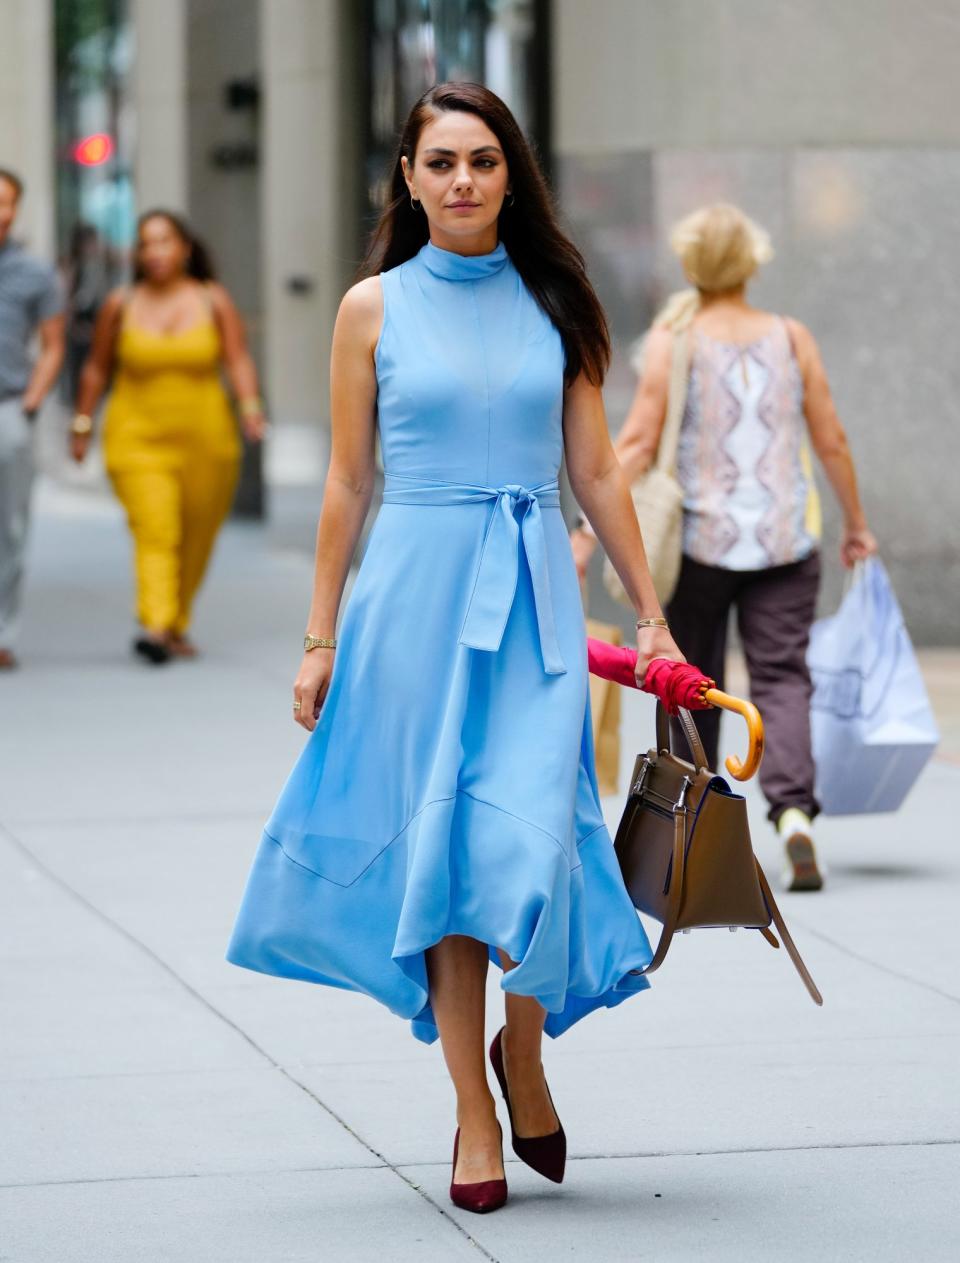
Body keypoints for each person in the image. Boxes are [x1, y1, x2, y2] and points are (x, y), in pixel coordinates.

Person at [227, 82, 685, 1214]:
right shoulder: (370, 308)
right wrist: (318, 636)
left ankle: (521, 1052)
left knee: (534, 848)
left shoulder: (556, 300)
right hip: (412, 604)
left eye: (484, 161)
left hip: (532, 604)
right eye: (442, 163)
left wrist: (651, 612)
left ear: (510, 174)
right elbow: (347, 477)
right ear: (411, 179)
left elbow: (596, 470)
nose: (464, 181)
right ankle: (474, 1112)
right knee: (446, 861)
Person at [571, 203, 877, 892]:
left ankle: (690, 834)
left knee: (691, 682)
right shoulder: (790, 337)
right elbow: (830, 437)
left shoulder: (676, 340)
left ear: (690, 265)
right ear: (751, 262)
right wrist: (856, 520)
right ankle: (794, 814)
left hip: (697, 545)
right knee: (782, 677)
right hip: (785, 543)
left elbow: (636, 443)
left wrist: (585, 535)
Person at [71, 210, 267, 663]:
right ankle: (156, 624)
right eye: (146, 243)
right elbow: (97, 367)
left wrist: (251, 408)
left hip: (207, 438)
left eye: (164, 241)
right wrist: (82, 424)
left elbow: (237, 359)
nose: (155, 252)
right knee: (157, 529)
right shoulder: (120, 304)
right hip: (135, 437)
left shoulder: (211, 299)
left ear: (185, 248)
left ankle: (174, 621)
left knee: (197, 534)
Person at [0, 168, 66, 670]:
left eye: (6, 202)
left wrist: (30, 403)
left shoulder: (35, 274)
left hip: (8, 408)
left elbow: (53, 346)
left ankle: (2, 632)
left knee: (9, 528)